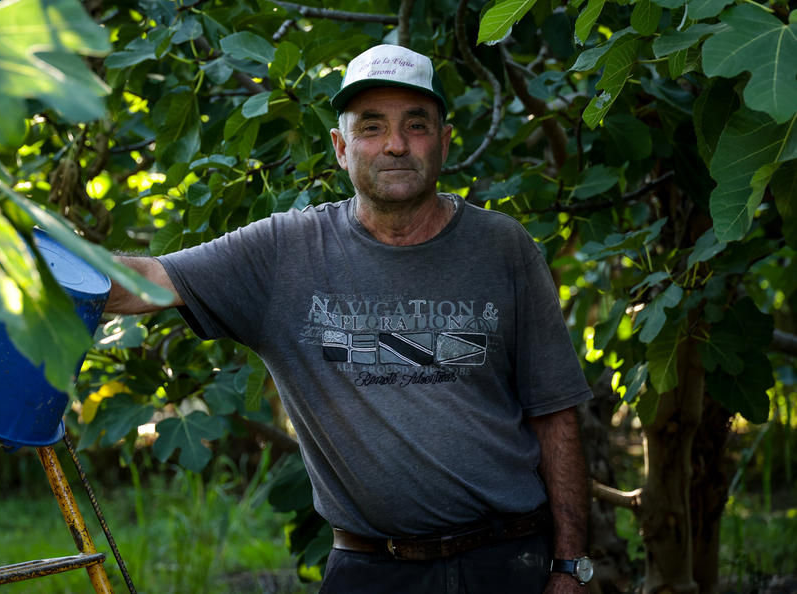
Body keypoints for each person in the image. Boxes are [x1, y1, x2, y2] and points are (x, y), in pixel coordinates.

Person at [105, 44, 594, 593]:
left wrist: (570, 566)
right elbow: (142, 282)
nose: (396, 144)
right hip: (370, 573)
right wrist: (18, 253)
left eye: (417, 124)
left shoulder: (503, 247)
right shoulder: (284, 252)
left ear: (445, 142)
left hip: (507, 564)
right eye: (371, 127)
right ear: (340, 147)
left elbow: (555, 413)